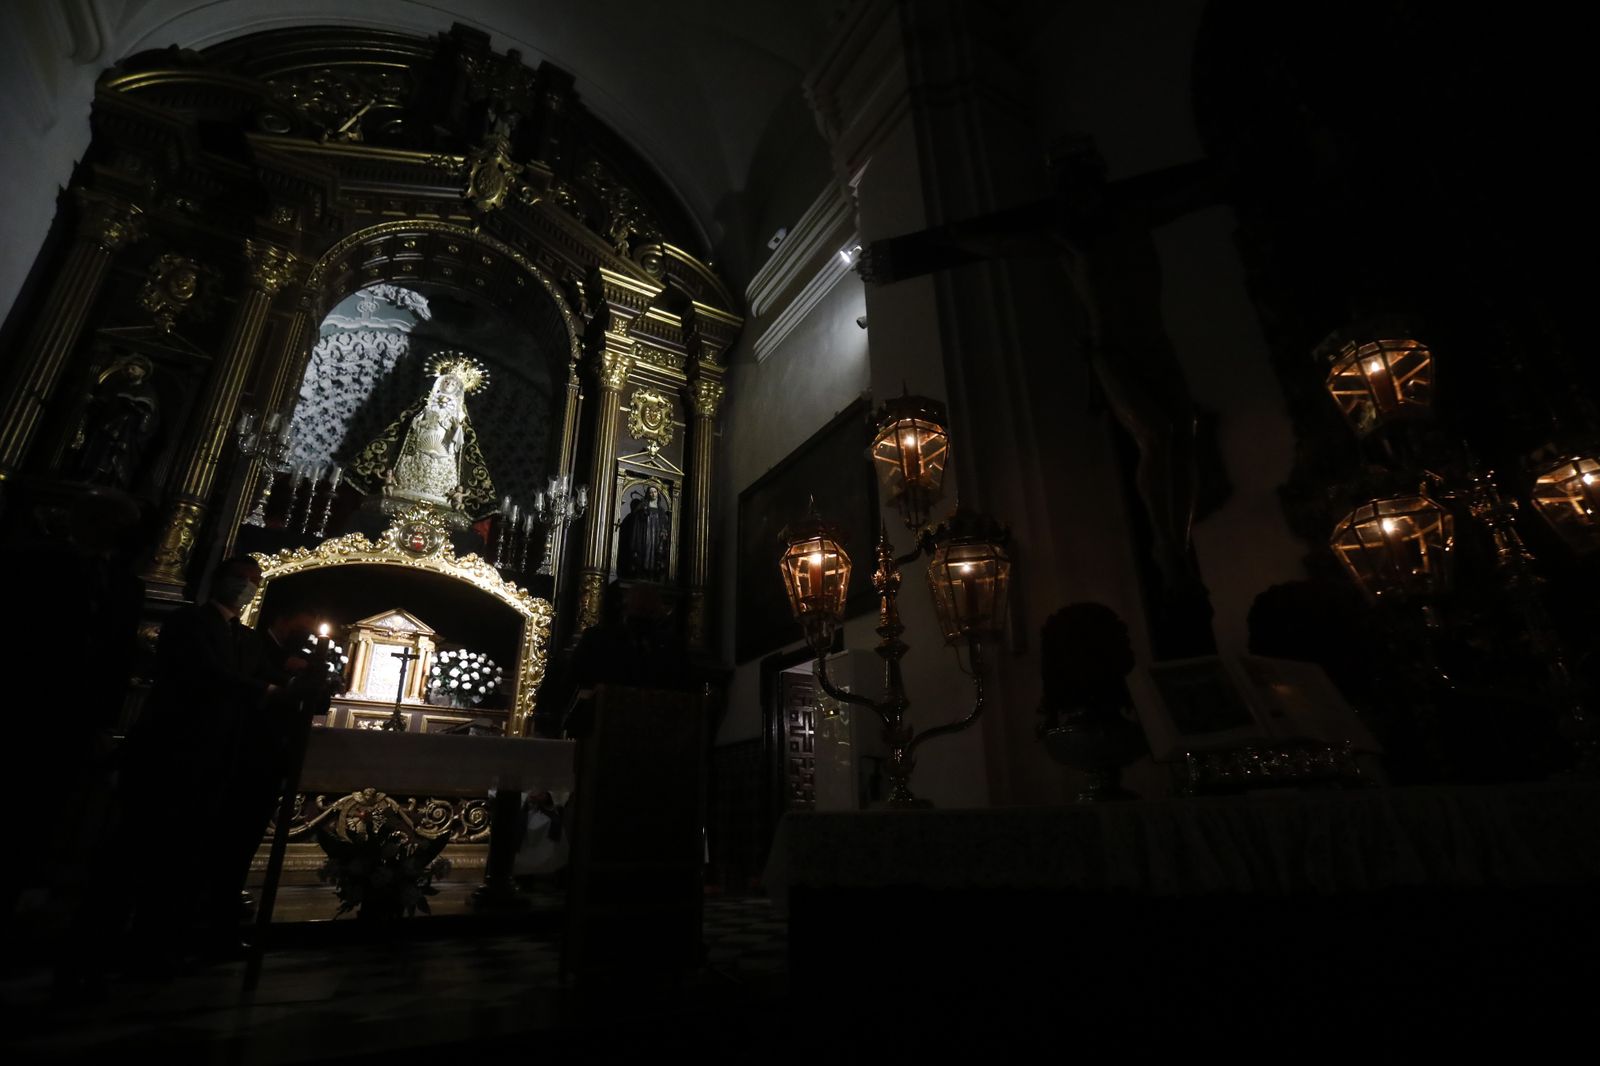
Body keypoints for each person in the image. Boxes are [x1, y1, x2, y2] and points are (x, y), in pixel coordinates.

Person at [73, 357, 161, 490]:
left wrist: (137, 411)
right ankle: (95, 476)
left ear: (143, 372)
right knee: (100, 453)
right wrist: (95, 401)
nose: (129, 371)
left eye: (133, 369)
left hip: (128, 433)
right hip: (107, 427)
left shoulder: (148, 390)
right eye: (127, 369)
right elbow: (105, 401)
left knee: (118, 454)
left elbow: (150, 414)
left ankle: (113, 480)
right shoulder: (117, 385)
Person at [616, 485, 670, 582]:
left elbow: (664, 525)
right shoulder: (643, 506)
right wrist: (642, 512)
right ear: (648, 494)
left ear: (657, 493)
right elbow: (637, 524)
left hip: (656, 539)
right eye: (650, 492)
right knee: (643, 556)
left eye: (654, 492)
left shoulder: (661, 510)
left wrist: (663, 532)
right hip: (644, 537)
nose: (653, 494)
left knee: (655, 558)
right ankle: (641, 574)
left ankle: (653, 575)